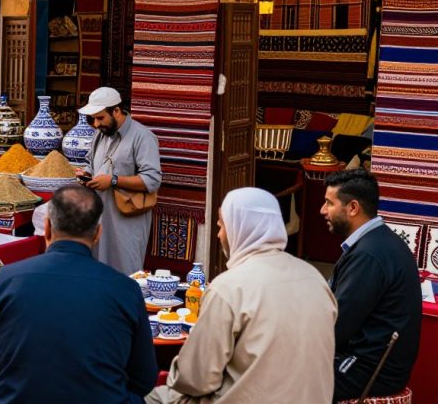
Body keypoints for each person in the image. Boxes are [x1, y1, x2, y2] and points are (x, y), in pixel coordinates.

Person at [147, 188, 336, 404]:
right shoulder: (315, 278)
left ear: (238, 228)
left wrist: (171, 374)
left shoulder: (228, 288)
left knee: (151, 397)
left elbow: (196, 379)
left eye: (220, 226)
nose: (219, 235)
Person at [0, 185, 158, 403]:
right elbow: (144, 379)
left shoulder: (5, 279)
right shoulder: (126, 289)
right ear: (98, 233)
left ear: (47, 228)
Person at [321, 169, 421, 401]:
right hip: (368, 362)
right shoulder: (376, 242)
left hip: (368, 370)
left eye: (329, 203)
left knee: (281, 377)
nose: (323, 210)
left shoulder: (370, 255)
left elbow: (337, 325)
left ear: (353, 208)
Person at [77, 86, 162, 274]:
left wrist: (113, 180)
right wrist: (86, 174)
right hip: (99, 216)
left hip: (126, 219)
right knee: (97, 271)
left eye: (100, 118)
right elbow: (91, 163)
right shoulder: (100, 134)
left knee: (126, 272)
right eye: (93, 119)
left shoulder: (143, 137)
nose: (96, 124)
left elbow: (152, 180)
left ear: (116, 111)